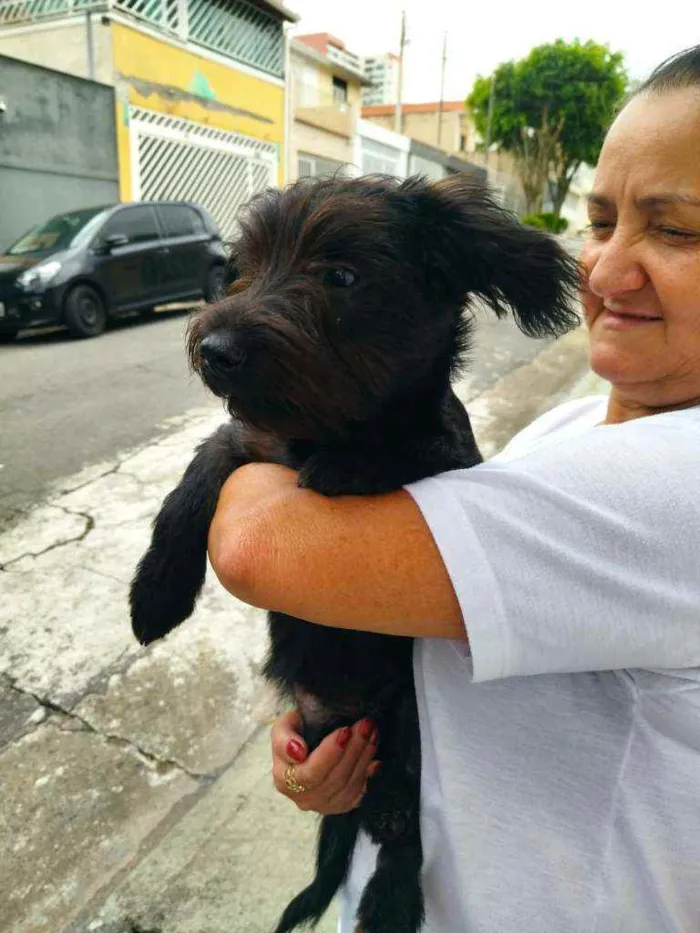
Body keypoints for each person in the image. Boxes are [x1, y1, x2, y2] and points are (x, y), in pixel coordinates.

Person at [207, 46, 700, 932]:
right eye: (600, 220)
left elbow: (256, 547)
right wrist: (331, 733)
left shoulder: (679, 487)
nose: (603, 270)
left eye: (677, 230)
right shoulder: (571, 430)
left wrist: (246, 446)